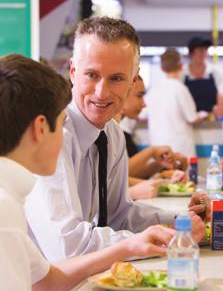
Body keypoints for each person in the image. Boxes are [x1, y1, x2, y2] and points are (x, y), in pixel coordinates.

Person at [25, 17, 206, 262]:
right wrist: (156, 238)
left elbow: (118, 216)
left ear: (133, 80)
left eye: (116, 78)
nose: (101, 92)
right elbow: (67, 247)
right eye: (91, 75)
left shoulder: (112, 134)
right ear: (73, 72)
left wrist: (180, 222)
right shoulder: (53, 134)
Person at [0, 54, 176, 290]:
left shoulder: (10, 200)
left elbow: (47, 280)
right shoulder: (4, 211)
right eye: (62, 124)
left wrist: (130, 246)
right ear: (41, 128)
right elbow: (64, 251)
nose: (66, 136)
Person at [146, 48, 205, 157]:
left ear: (161, 68)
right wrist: (203, 115)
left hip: (157, 146)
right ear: (182, 66)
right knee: (182, 174)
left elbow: (141, 116)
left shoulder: (153, 91)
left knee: (162, 174)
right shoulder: (181, 89)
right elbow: (192, 118)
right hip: (180, 148)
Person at [184, 36, 223, 113]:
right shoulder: (182, 74)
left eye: (205, 50)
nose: (203, 53)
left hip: (213, 121)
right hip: (189, 121)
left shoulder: (216, 72)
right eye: (200, 50)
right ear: (191, 53)